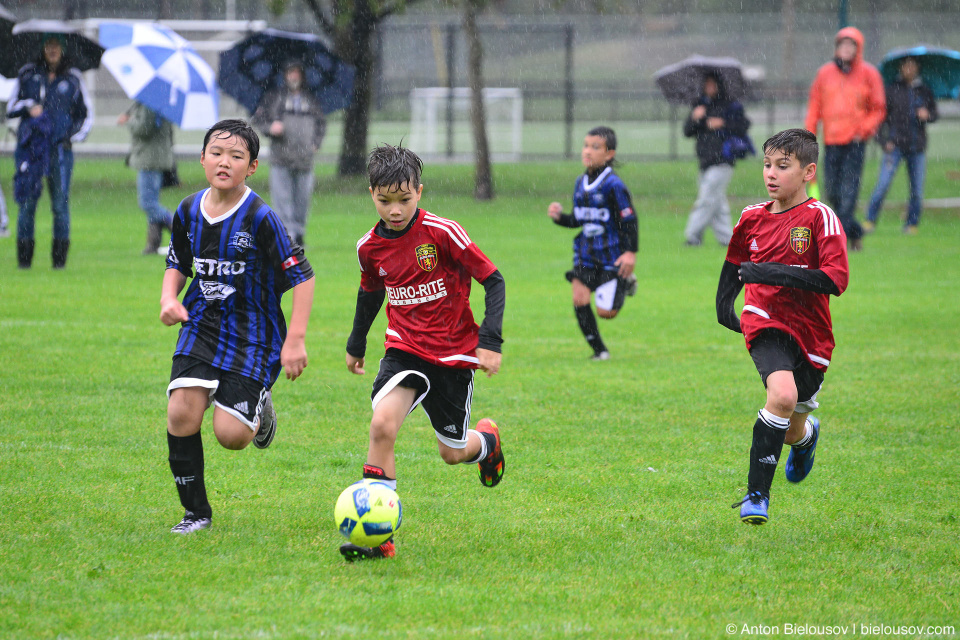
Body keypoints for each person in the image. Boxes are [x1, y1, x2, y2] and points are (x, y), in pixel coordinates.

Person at [343, 143, 506, 560]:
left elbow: (494, 279)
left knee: (452, 453)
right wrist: (357, 342)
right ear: (371, 194)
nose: (395, 210)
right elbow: (370, 293)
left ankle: (486, 442)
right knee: (382, 425)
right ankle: (378, 537)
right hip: (405, 350)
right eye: (384, 201)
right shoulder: (369, 247)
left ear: (420, 190)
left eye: (404, 199)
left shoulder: (442, 233)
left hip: (453, 357)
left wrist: (489, 341)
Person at [159, 119, 315, 535]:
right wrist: (169, 298)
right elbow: (178, 262)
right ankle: (195, 514)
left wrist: (295, 340)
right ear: (202, 158)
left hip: (254, 333)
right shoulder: (188, 210)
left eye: (236, 156)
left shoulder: (261, 217)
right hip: (202, 323)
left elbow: (303, 276)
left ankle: (257, 407)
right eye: (216, 152)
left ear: (253, 167)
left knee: (231, 436)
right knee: (181, 413)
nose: (224, 161)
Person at [716, 129, 849, 526]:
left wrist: (773, 271)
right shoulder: (751, 216)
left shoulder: (819, 218)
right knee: (782, 394)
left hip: (812, 336)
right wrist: (724, 304)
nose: (771, 174)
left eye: (782, 166)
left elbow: (835, 280)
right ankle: (757, 496)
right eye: (767, 165)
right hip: (765, 322)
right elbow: (736, 261)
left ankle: (806, 437)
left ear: (808, 171)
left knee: (791, 423)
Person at [548, 126, 638, 361]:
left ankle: (624, 281)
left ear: (609, 154)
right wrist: (560, 218)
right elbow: (578, 219)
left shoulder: (614, 185)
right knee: (579, 297)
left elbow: (629, 220)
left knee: (606, 312)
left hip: (611, 255)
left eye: (595, 147)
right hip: (585, 253)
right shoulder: (580, 183)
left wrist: (630, 253)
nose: (587, 151)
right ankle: (600, 351)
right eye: (586, 145)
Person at [6, 34, 93, 269]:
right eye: (49, 46)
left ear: (63, 50)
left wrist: (68, 137)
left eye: (57, 46)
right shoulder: (28, 74)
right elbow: (10, 107)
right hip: (30, 151)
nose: (52, 50)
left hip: (60, 152)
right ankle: (24, 261)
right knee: (26, 204)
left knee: (60, 205)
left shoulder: (73, 78)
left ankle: (59, 261)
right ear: (43, 48)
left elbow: (86, 116)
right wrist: (29, 106)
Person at [805, 26, 886, 252]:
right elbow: (815, 106)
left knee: (848, 192)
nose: (846, 49)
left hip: (855, 142)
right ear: (837, 47)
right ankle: (856, 231)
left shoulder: (869, 74)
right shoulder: (825, 74)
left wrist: (865, 129)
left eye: (851, 45)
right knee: (832, 191)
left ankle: (836, 244)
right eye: (843, 44)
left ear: (858, 49)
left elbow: (878, 108)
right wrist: (809, 136)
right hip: (832, 141)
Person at [252, 60, 326, 247]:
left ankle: (299, 234)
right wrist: (271, 127)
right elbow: (259, 120)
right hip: (281, 158)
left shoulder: (311, 99)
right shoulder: (274, 97)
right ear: (285, 75)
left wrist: (315, 144)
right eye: (290, 72)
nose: (293, 76)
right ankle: (287, 236)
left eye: (297, 72)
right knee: (282, 199)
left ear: (302, 75)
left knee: (302, 199)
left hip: (305, 159)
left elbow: (321, 124)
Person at [864, 56, 938, 235]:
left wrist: (926, 115)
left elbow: (935, 114)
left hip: (917, 148)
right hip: (894, 147)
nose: (909, 69)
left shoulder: (924, 90)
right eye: (906, 66)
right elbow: (879, 119)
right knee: (882, 185)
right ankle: (869, 221)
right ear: (900, 68)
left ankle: (912, 224)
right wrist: (883, 141)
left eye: (912, 66)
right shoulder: (891, 90)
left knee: (917, 191)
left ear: (917, 68)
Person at [682, 72, 751, 247]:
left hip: (723, 159)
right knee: (717, 202)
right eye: (707, 84)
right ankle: (727, 239)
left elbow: (743, 125)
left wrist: (723, 123)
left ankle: (692, 236)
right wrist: (695, 117)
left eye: (713, 84)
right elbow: (687, 131)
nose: (709, 88)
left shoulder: (730, 105)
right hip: (705, 160)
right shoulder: (700, 105)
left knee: (706, 199)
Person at [118, 102, 175, 255]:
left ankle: (182, 230)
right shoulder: (156, 102)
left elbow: (144, 129)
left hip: (150, 158)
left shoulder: (150, 104)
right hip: (153, 157)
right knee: (152, 202)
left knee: (148, 203)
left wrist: (128, 121)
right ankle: (153, 245)